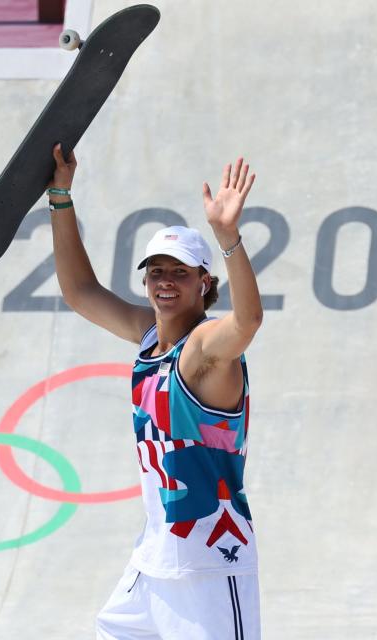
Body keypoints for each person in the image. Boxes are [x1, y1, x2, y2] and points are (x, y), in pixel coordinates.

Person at [47, 144, 262, 639]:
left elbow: (247, 321)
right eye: (157, 271)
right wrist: (61, 197)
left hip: (209, 561)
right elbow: (81, 292)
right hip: (154, 558)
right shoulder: (150, 335)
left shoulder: (204, 349)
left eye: (181, 272)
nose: (166, 281)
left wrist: (228, 239)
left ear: (204, 283)